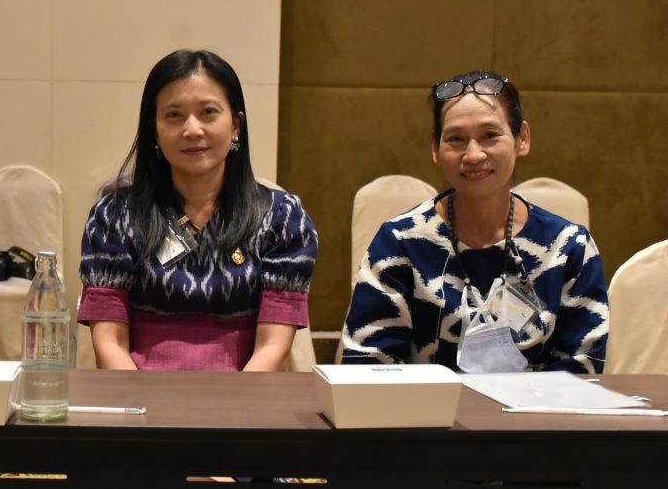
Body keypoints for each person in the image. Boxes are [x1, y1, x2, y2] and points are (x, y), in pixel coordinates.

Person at [341, 70, 608, 373]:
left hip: (538, 406)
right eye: (456, 139)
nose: (473, 155)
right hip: (425, 405)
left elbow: (583, 372)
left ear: (522, 139)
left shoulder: (568, 248)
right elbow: (365, 368)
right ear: (435, 148)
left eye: (490, 135)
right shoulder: (399, 243)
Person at [77, 49, 318, 371]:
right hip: (137, 394)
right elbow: (109, 343)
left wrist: (236, 400)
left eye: (208, 112)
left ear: (236, 125)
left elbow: (273, 346)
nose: (192, 129)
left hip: (246, 394)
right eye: (174, 115)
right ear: (154, 129)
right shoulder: (114, 217)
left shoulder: (282, 218)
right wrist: (139, 399)